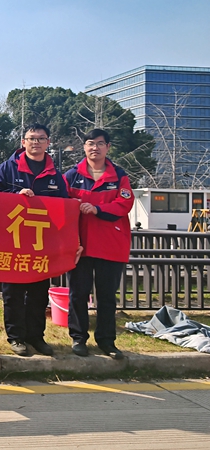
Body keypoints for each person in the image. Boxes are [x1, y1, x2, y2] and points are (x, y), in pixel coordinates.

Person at [0, 123, 69, 357]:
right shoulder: (7, 168)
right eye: (31, 138)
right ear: (23, 142)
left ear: (48, 143)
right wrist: (16, 195)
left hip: (41, 244)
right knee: (12, 292)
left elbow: (66, 208)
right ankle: (15, 337)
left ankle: (36, 336)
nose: (36, 143)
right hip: (11, 241)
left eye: (41, 139)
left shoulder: (55, 175)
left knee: (38, 292)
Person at [64, 129, 134, 359]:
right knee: (78, 293)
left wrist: (97, 209)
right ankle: (78, 338)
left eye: (100, 143)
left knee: (106, 296)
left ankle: (106, 341)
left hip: (110, 244)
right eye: (90, 143)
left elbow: (124, 204)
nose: (95, 148)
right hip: (80, 245)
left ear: (108, 147)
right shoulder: (71, 175)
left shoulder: (119, 176)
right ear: (84, 147)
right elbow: (60, 203)